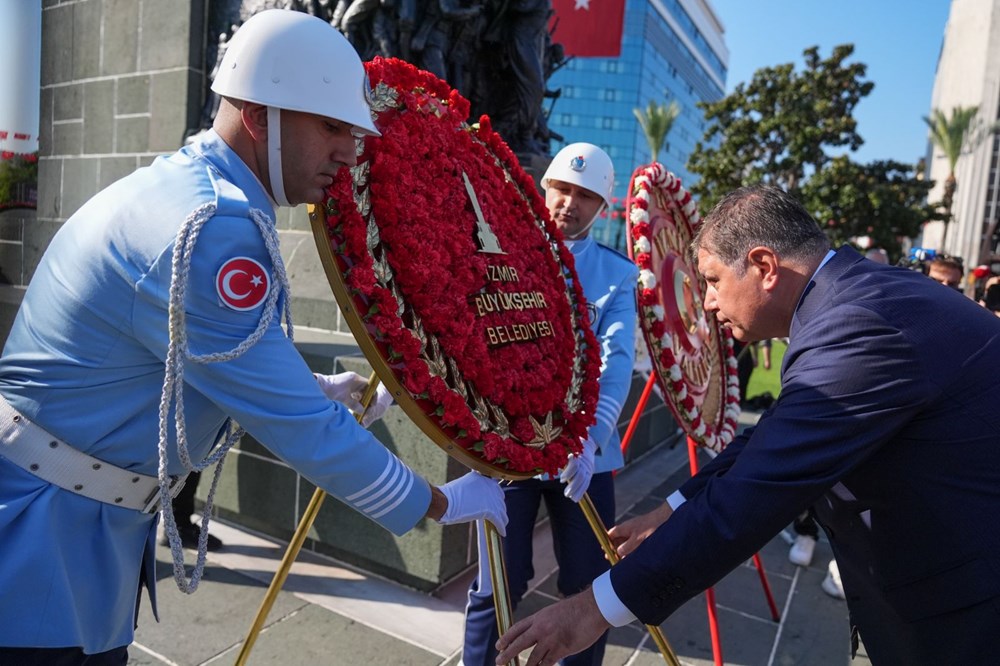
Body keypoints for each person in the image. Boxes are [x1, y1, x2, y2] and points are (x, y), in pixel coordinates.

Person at [0, 10, 507, 664]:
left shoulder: (199, 195)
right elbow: (299, 429)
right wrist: (439, 501)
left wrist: (321, 387)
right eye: (331, 126)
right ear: (260, 114)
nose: (350, 151)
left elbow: (199, 358)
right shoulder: (214, 228)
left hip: (69, 534)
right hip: (38, 549)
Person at [494, 184, 1000, 666]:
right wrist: (674, 508)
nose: (709, 303)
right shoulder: (854, 298)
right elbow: (776, 434)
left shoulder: (859, 325)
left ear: (762, 265)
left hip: (966, 616)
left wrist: (591, 609)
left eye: (713, 281)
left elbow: (757, 492)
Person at [461, 143, 637, 666]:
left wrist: (587, 438)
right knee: (497, 582)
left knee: (592, 590)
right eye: (562, 188)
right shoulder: (496, 249)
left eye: (585, 196)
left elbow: (617, 361)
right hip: (509, 446)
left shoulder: (615, 275)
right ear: (543, 188)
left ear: (601, 208)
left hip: (585, 457)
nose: (569, 203)